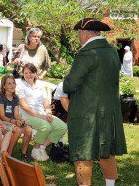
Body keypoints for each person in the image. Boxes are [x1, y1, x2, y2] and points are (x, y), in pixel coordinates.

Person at [63, 18, 127, 186]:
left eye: (78, 33)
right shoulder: (112, 51)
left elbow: (70, 85)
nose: (78, 37)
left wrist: (66, 77)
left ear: (85, 33)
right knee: (106, 149)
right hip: (109, 111)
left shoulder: (86, 53)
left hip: (87, 112)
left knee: (83, 150)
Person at [16, 63, 67, 161]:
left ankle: (42, 147)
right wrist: (40, 116)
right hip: (26, 115)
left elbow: (45, 101)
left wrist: (48, 112)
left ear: (35, 73)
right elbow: (24, 106)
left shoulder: (39, 85)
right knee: (45, 126)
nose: (28, 75)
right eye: (25, 73)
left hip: (41, 113)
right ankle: (35, 150)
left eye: (31, 72)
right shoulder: (21, 86)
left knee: (62, 127)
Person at [0, 74, 33, 160]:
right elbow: (2, 116)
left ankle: (23, 153)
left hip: (12, 121)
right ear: (4, 86)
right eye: (9, 83)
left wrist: (21, 120)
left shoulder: (15, 97)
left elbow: (16, 114)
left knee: (28, 130)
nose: (12, 85)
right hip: (2, 122)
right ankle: (8, 155)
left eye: (13, 83)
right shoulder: (0, 97)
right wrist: (14, 122)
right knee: (18, 130)